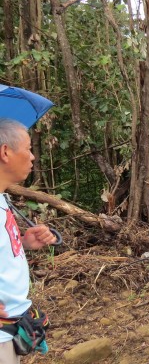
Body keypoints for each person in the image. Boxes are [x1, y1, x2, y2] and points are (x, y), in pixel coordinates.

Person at [0, 118, 57, 363]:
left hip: (11, 329)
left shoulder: (3, 199)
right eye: (28, 148)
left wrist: (22, 243)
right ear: (5, 152)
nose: (32, 157)